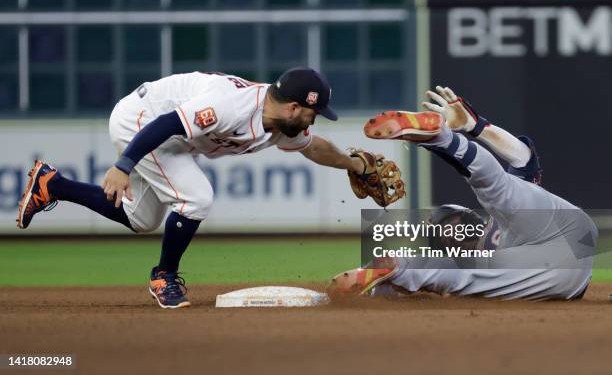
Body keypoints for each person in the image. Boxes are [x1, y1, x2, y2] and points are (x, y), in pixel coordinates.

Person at [17, 68, 375, 309]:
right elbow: (166, 123)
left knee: (141, 219)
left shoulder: (284, 125)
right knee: (197, 198)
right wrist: (123, 165)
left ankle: (52, 185)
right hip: (140, 122)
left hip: (172, 140)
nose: (315, 119)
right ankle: (163, 279)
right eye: (314, 113)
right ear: (295, 107)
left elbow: (314, 147)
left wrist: (355, 165)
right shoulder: (230, 105)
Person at [328, 86, 598, 301]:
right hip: (569, 242)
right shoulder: (481, 244)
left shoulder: (491, 233)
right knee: (496, 191)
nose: (451, 230)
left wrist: (475, 127)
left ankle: (443, 139)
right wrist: (477, 127)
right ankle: (444, 139)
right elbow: (523, 158)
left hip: (558, 262)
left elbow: (522, 160)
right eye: (445, 229)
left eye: (449, 224)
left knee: (463, 266)